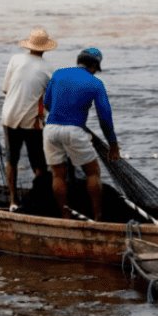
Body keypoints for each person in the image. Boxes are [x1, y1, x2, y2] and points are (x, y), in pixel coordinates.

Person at [43, 47, 120, 221]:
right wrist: (113, 144)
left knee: (58, 175)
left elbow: (47, 103)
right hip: (75, 131)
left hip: (50, 128)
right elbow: (105, 118)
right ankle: (98, 217)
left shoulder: (58, 74)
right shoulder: (95, 83)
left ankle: (65, 217)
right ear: (93, 65)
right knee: (93, 173)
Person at [1, 28, 58, 211]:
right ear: (45, 48)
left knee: (12, 160)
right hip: (31, 122)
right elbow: (50, 102)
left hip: (9, 116)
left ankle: (12, 200)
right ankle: (38, 200)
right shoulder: (49, 69)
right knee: (39, 164)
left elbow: (6, 89)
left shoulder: (15, 60)